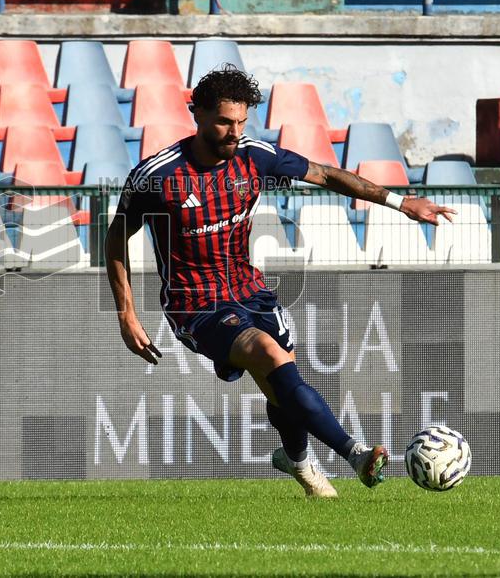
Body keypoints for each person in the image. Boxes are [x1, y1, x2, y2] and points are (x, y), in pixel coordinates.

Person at [105, 67, 454, 498]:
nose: (234, 132)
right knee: (268, 353)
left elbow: (325, 175)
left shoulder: (255, 156)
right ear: (196, 114)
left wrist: (401, 202)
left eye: (240, 122)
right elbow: (116, 237)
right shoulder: (156, 177)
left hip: (249, 290)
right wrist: (126, 313)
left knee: (282, 383)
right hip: (194, 303)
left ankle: (299, 463)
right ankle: (356, 454)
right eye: (223, 122)